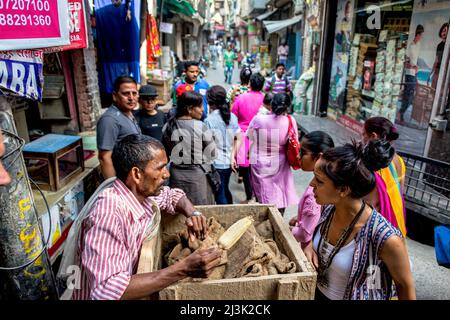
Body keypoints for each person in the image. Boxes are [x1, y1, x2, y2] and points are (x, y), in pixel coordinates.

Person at [71, 134, 222, 300]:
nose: (167, 174)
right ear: (136, 174)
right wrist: (183, 268)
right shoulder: (107, 213)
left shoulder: (142, 193)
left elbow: (171, 196)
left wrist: (193, 212)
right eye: (160, 168)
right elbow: (106, 290)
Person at [303, 141, 416, 300]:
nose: (311, 184)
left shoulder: (386, 238)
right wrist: (309, 247)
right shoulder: (327, 210)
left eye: (319, 181)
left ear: (343, 189)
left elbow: (405, 287)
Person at [247, 93, 300, 215]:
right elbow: (294, 141)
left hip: (260, 163)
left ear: (271, 104)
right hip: (281, 162)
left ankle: (266, 221)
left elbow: (249, 136)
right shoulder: (290, 121)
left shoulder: (259, 119)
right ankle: (278, 219)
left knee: (264, 193)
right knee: (280, 194)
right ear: (287, 107)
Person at [162, 91, 217, 205]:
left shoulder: (168, 126)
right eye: (200, 106)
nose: (202, 109)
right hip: (196, 177)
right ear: (189, 109)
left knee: (179, 208)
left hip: (175, 174)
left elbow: (165, 153)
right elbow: (212, 154)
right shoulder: (200, 126)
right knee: (198, 211)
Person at [362, 117, 407, 238]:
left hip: (380, 219)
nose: (362, 139)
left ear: (373, 136)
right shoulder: (400, 161)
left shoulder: (377, 163)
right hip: (396, 216)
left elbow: (371, 200)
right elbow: (400, 193)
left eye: (363, 135)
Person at [289, 131, 335, 247]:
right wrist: (300, 218)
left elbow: (304, 235)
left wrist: (285, 229)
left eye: (303, 152)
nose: (298, 156)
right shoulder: (322, 183)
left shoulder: (315, 193)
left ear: (319, 157)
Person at [97, 76, 142, 179]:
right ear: (114, 96)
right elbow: (104, 157)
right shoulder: (109, 120)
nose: (131, 98)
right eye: (126, 93)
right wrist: (114, 188)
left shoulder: (128, 113)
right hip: (121, 179)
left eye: (134, 93)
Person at [231, 73, 266, 203]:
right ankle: (258, 196)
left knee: (245, 170)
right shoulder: (265, 99)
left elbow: (233, 117)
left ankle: (249, 196)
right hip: (260, 137)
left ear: (250, 83)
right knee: (258, 169)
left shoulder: (240, 98)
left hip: (243, 136)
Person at [205, 86, 242, 204]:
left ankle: (228, 218)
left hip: (216, 164)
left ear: (210, 102)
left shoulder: (209, 120)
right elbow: (239, 138)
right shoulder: (233, 117)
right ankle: (232, 211)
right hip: (229, 163)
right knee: (225, 189)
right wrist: (232, 157)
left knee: (220, 194)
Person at [399, 24, 424, 123]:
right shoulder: (411, 46)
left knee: (411, 96)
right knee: (407, 96)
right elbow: (406, 62)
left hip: (415, 74)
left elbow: (416, 60)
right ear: (417, 34)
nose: (421, 37)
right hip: (409, 74)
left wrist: (417, 66)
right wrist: (413, 66)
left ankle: (401, 113)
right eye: (421, 35)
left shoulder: (419, 45)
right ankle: (401, 114)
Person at [428, 23, 449, 90]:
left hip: (445, 72)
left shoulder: (448, 45)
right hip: (437, 71)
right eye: (443, 31)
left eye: (446, 30)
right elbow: (436, 60)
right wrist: (430, 74)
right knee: (433, 89)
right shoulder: (439, 45)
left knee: (442, 91)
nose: (444, 33)